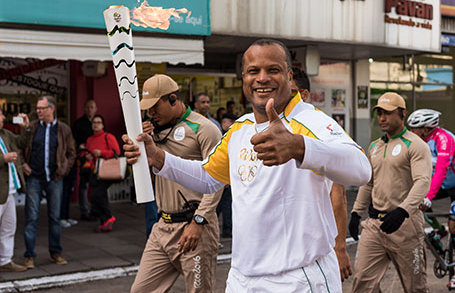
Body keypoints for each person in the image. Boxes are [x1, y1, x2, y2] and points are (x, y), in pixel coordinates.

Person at [124, 39, 371, 292]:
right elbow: (208, 178)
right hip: (243, 278)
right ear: (244, 77)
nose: (262, 78)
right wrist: (158, 158)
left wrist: (300, 147)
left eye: (272, 70)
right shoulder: (240, 129)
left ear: (288, 75)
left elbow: (361, 169)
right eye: (253, 71)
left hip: (299, 277)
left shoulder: (311, 121)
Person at [130, 74, 223, 293]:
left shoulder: (205, 129)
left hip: (194, 228)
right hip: (162, 226)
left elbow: (218, 180)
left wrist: (199, 222)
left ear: (173, 99)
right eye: (147, 109)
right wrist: (138, 152)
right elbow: (148, 175)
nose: (151, 113)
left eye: (155, 107)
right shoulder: (153, 132)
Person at [348, 92, 432, 293]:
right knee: (361, 282)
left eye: (387, 113)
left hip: (406, 226)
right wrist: (356, 213)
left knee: (415, 287)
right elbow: (368, 183)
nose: (382, 118)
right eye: (379, 113)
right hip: (375, 226)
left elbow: (422, 182)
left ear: (402, 113)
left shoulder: (415, 145)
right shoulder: (374, 147)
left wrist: (403, 211)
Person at [291, 67, 352, 282]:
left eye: (289, 92)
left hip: (312, 254)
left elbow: (338, 197)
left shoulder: (322, 129)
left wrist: (340, 247)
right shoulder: (263, 128)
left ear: (304, 95)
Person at [407, 109, 455, 290]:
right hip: (446, 185)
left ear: (425, 128)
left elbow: (441, 169)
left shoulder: (444, 139)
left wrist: (429, 197)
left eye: (414, 128)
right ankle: (440, 231)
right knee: (417, 200)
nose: (411, 132)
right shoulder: (420, 141)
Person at [23, 95, 76, 269]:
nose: (38, 111)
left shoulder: (63, 129)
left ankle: (56, 253)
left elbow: (71, 153)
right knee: (31, 217)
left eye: (42, 108)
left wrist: (64, 170)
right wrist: (23, 164)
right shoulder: (32, 127)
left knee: (55, 217)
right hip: (34, 179)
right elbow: (20, 145)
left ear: (51, 109)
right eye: (37, 108)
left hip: (54, 178)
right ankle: (29, 256)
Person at [0, 110, 30, 272]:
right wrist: (2, 159)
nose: (4, 117)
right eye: (0, 114)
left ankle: (4, 261)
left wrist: (26, 128)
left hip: (9, 190)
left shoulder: (5, 134)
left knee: (8, 227)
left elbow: (22, 143)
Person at [85, 114, 120, 233]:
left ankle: (109, 218)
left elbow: (116, 152)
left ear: (103, 125)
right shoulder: (89, 140)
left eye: (98, 122)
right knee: (98, 196)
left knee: (97, 195)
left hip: (106, 171)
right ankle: (105, 222)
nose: (96, 124)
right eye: (94, 122)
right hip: (95, 171)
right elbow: (90, 155)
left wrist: (102, 152)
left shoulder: (108, 137)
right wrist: (89, 156)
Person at [72, 99, 97, 221]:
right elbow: (74, 141)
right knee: (84, 185)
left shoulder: (99, 121)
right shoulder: (79, 123)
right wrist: (80, 148)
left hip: (97, 158)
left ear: (96, 109)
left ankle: (95, 210)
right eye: (87, 107)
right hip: (84, 158)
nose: (89, 109)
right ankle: (84, 211)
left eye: (92, 107)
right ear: (84, 109)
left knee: (96, 186)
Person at [216, 112, 237, 239]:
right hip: (222, 176)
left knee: (225, 204)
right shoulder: (221, 137)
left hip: (227, 177)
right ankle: (225, 229)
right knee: (221, 204)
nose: (229, 125)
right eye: (228, 122)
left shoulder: (231, 136)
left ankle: (227, 229)